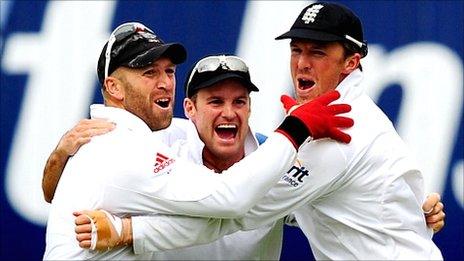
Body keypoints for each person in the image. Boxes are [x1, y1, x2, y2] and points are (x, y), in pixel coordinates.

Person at [72, 3, 445, 259]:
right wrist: (410, 212)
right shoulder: (161, 142)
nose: (301, 62)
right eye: (296, 49)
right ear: (191, 109)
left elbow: (242, 208)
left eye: (317, 52)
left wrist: (127, 233)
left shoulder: (337, 129)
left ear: (351, 61)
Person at [42, 21, 355, 259]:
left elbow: (332, 212)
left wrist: (128, 231)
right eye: (149, 73)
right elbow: (232, 200)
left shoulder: (274, 156)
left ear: (251, 107)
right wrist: (296, 128)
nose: (165, 83)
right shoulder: (143, 147)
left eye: (169, 71)